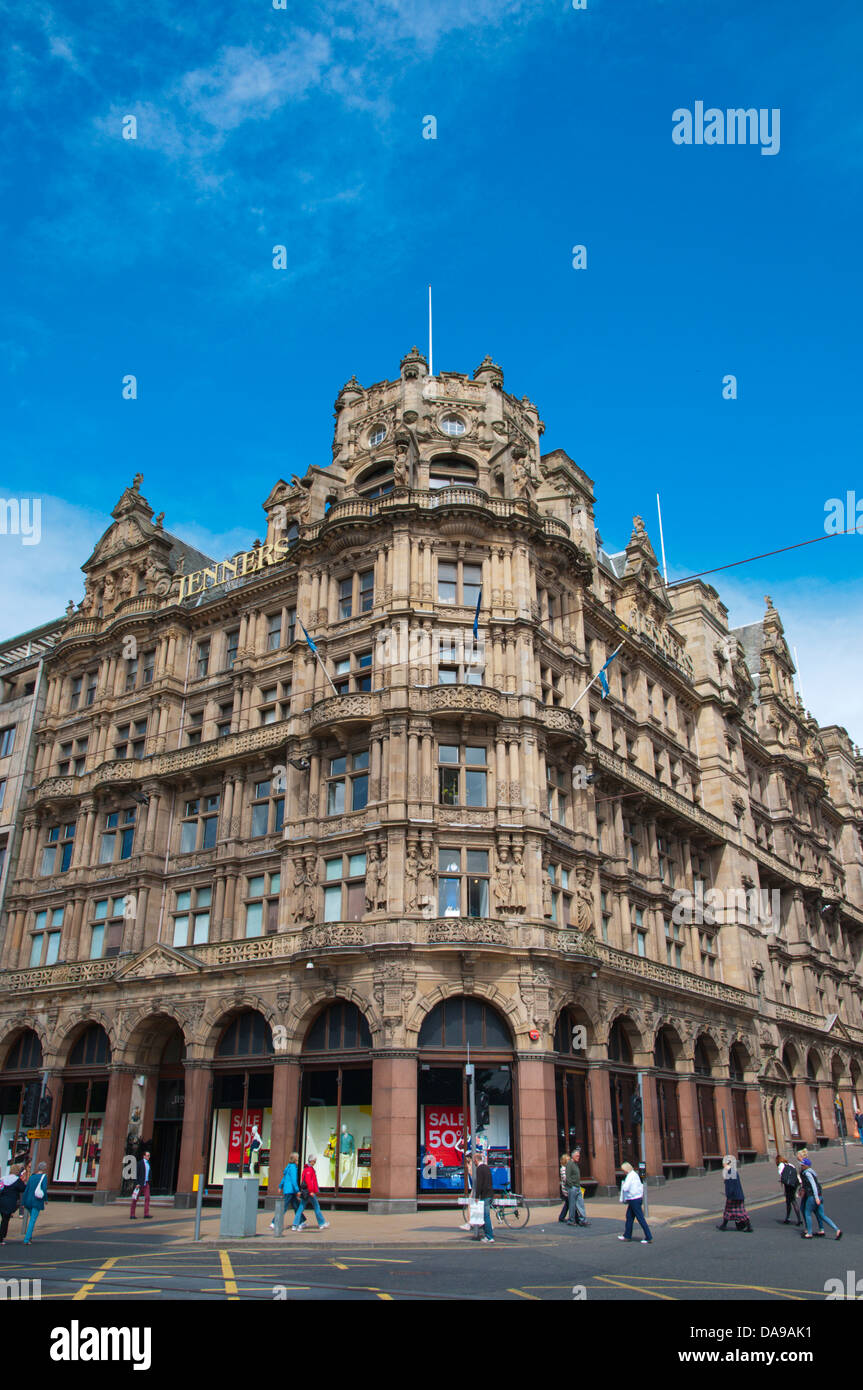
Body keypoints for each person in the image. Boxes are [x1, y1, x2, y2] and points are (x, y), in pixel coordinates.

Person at [799, 1158, 842, 1240]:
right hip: (819, 1196)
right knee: (822, 1215)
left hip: (813, 1197)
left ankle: (809, 1233)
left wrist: (816, 1198)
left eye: (802, 1165)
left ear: (806, 1166)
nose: (801, 1166)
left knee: (807, 1213)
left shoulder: (807, 1173)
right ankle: (837, 1230)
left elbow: (814, 1185)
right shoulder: (812, 1172)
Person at [290, 1154, 330, 1231]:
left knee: (301, 1208)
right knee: (316, 1207)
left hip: (306, 1192)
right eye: (314, 1161)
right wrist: (312, 1191)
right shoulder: (309, 1169)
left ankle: (295, 1224)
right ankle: (321, 1223)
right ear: (311, 1160)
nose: (314, 1162)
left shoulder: (306, 1169)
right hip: (309, 1192)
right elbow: (309, 1181)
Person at [618, 1161, 652, 1243]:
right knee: (629, 1216)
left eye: (623, 1170)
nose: (623, 1172)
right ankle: (627, 1236)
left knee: (640, 1218)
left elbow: (625, 1188)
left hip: (634, 1200)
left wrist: (623, 1185)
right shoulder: (634, 1174)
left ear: (626, 1169)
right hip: (636, 1199)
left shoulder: (630, 1176)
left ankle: (648, 1237)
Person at [717, 1154, 752, 1232]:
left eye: (724, 1162)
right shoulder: (731, 1171)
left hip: (734, 1196)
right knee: (729, 1211)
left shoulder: (731, 1171)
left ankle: (749, 1226)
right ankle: (724, 1225)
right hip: (736, 1195)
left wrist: (729, 1194)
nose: (723, 1164)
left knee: (739, 1212)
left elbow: (731, 1185)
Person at [274, 1151, 306, 1231]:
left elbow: (284, 1178)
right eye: (298, 1158)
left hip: (287, 1190)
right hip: (291, 1190)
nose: (298, 1160)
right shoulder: (293, 1168)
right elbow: (294, 1180)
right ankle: (274, 1222)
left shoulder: (288, 1167)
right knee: (284, 1207)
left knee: (296, 1206)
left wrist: (280, 1186)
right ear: (295, 1159)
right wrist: (297, 1190)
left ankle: (301, 1221)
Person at [0, 1162, 29, 1244]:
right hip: (10, 1202)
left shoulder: (3, 1178)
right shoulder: (17, 1180)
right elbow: (23, 1189)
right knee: (5, 1220)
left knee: (3, 1219)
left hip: (1, 1200)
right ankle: (1, 1237)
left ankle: (1, 1237)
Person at [21, 1162, 48, 1244]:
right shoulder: (44, 1177)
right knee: (32, 1220)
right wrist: (46, 1199)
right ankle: (26, 1239)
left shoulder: (32, 1177)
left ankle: (29, 1237)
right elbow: (44, 1189)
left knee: (31, 1219)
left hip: (28, 1200)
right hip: (37, 1200)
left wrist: (23, 1202)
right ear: (44, 1169)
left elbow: (27, 1189)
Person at [472, 1153, 495, 1243]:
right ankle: (488, 1234)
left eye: (474, 1160)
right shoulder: (487, 1168)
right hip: (490, 1194)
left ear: (477, 1160)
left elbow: (479, 1184)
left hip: (485, 1195)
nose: (474, 1162)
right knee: (485, 1216)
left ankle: (489, 1236)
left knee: (486, 1216)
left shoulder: (479, 1169)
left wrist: (477, 1196)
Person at [565, 1148, 589, 1226]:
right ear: (573, 1156)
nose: (578, 1157)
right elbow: (568, 1176)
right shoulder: (570, 1164)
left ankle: (583, 1220)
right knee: (572, 1205)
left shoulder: (575, 1164)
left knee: (580, 1203)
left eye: (579, 1156)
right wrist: (571, 1186)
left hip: (577, 1187)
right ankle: (571, 1220)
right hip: (573, 1187)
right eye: (577, 1156)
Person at [777, 1155, 802, 1226]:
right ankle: (789, 1218)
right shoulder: (790, 1165)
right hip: (795, 1184)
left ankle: (796, 1219)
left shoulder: (781, 1165)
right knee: (790, 1200)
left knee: (791, 1201)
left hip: (788, 1185)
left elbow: (782, 1175)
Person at [130, 1149, 152, 1219]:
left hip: (146, 1183)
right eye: (147, 1155)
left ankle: (146, 1214)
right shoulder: (139, 1163)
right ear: (144, 1156)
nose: (148, 1157)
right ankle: (132, 1214)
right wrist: (136, 1183)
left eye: (149, 1155)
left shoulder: (148, 1164)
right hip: (139, 1184)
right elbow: (135, 1173)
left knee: (147, 1198)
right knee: (135, 1199)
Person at [557, 1152, 570, 1223]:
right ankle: (574, 1217)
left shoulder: (566, 1168)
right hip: (566, 1190)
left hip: (567, 1189)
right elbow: (565, 1179)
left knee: (568, 1204)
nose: (569, 1161)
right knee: (570, 1204)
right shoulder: (563, 1169)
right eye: (568, 1160)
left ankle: (561, 1217)